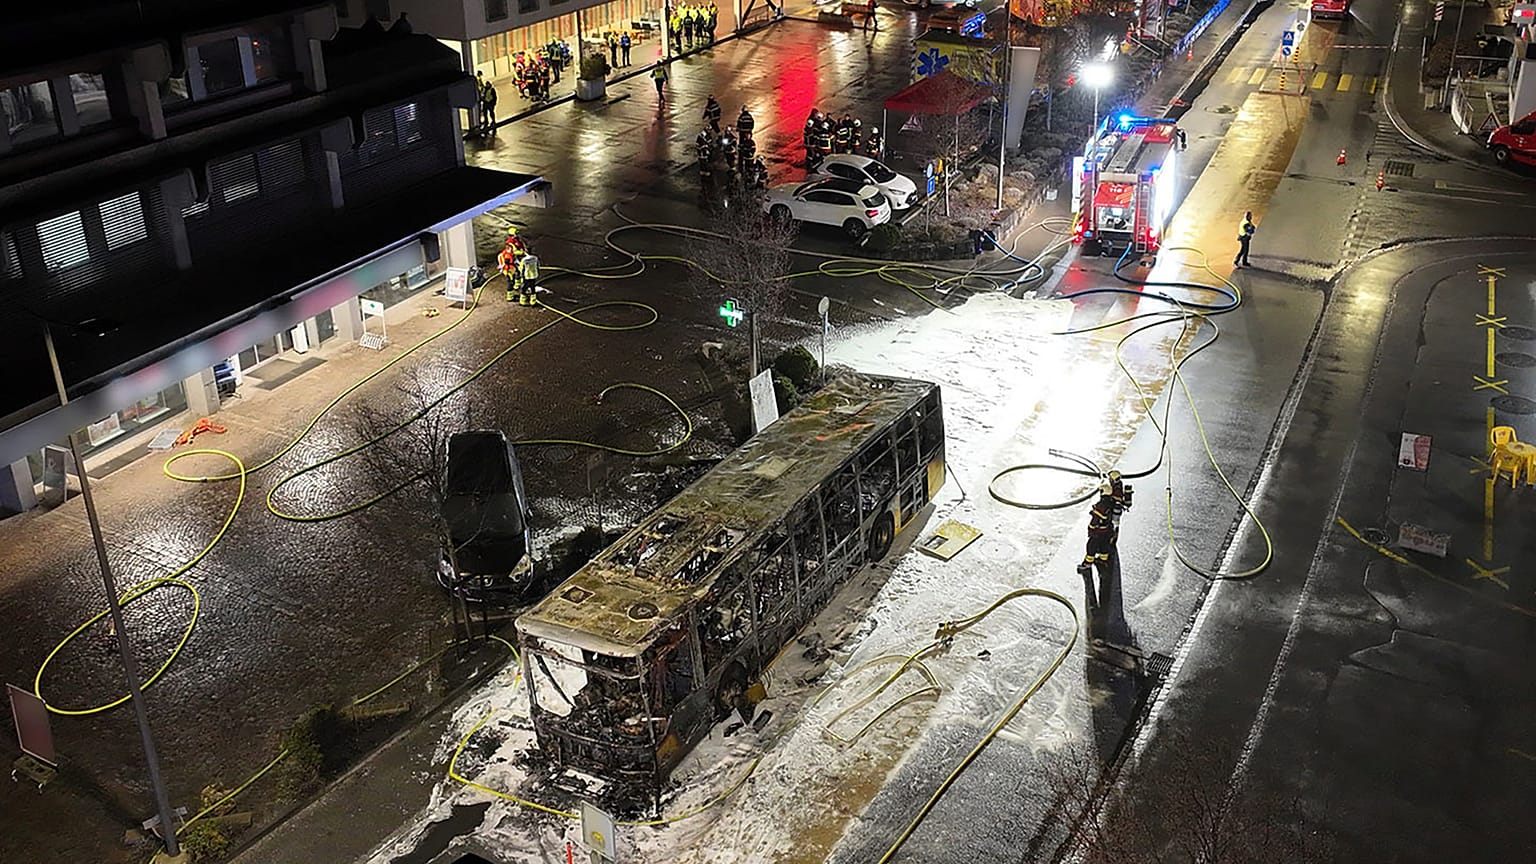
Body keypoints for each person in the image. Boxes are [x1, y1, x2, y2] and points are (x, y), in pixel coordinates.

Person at [1076, 485, 1119, 596]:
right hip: (1107, 531)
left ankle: (1087, 564)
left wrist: (1091, 528)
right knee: (1104, 547)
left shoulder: (1101, 506)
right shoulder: (1112, 502)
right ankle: (1102, 560)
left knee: (1091, 548)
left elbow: (1095, 520)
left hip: (1098, 532)